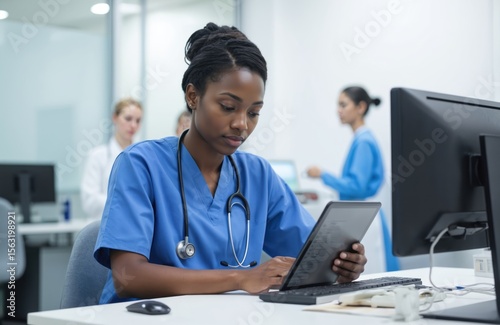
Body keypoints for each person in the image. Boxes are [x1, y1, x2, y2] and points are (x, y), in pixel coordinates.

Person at [94, 23, 367, 304]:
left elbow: (311, 258)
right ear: (193, 96)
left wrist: (342, 263)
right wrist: (240, 278)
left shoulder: (257, 176)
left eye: (254, 112)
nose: (241, 124)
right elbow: (128, 277)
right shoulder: (140, 165)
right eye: (228, 107)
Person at [306, 86, 398, 273]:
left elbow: (356, 186)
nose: (338, 110)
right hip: (366, 215)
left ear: (360, 107)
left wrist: (322, 174)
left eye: (343, 104)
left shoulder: (363, 141)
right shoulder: (363, 139)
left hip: (367, 219)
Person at [80, 98, 143, 220]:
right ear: (115, 118)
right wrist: (124, 201)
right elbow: (89, 201)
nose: (133, 125)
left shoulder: (143, 157)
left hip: (134, 225)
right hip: (102, 226)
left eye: (138, 120)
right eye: (128, 118)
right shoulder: (98, 156)